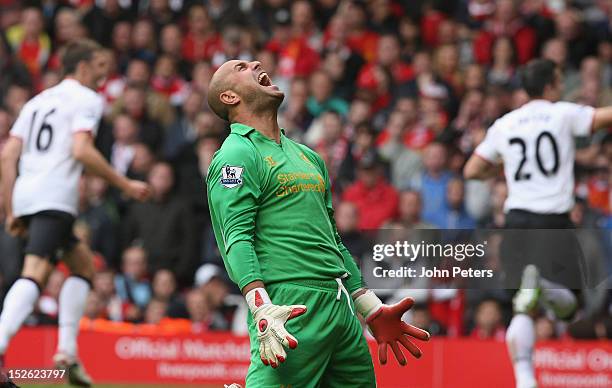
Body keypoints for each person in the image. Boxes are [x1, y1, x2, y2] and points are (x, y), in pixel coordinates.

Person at [205, 59, 430, 388]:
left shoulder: (309, 156)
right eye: (240, 67)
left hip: (339, 304)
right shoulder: (236, 154)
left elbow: (333, 240)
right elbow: (236, 237)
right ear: (229, 98)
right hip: (289, 303)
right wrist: (260, 306)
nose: (254, 62)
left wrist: (369, 307)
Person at [0, 39, 150, 387]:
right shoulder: (87, 99)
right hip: (56, 196)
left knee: (83, 264)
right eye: (100, 66)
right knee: (34, 272)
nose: (104, 73)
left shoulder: (37, 101)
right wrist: (124, 184)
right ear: (82, 67)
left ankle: (67, 352)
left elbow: (8, 156)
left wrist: (10, 208)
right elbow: (81, 150)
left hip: (27, 194)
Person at [464, 58, 612, 388]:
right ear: (549, 85)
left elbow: (471, 170)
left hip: (516, 221)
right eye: (559, 80)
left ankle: (524, 379)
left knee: (520, 309)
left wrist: (503, 168)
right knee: (569, 309)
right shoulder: (562, 113)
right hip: (553, 221)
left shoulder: (505, 124)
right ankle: (543, 286)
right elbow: (604, 117)